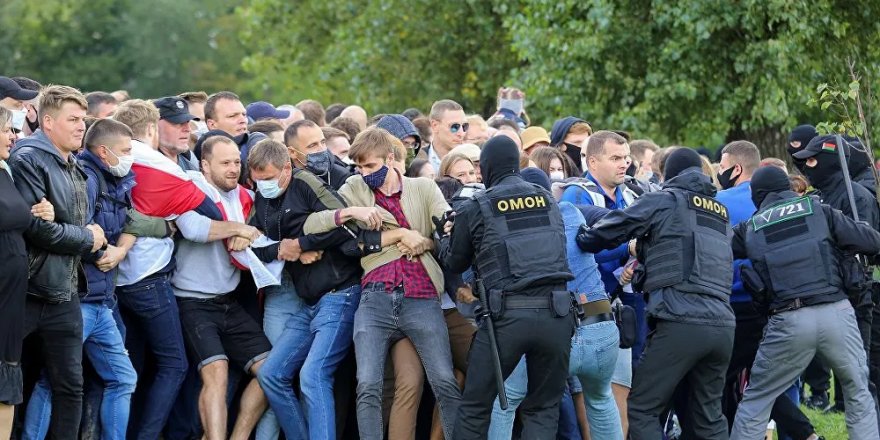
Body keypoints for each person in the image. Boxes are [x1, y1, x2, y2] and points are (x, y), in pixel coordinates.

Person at [302, 127, 462, 440]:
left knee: (444, 380)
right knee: (368, 384)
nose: (364, 173)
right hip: (375, 296)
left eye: (371, 166)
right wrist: (358, 214)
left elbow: (446, 233)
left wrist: (425, 242)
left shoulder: (424, 188)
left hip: (422, 294)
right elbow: (319, 226)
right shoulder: (353, 187)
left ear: (391, 158)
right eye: (359, 167)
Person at [577, 148, 736, 440]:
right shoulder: (720, 213)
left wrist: (584, 238)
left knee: (642, 408)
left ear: (669, 175)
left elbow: (617, 227)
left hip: (679, 320)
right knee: (708, 418)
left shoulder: (665, 200)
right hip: (723, 326)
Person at [729, 166, 880, 440]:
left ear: (757, 195)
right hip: (837, 313)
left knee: (756, 402)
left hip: (787, 321)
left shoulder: (750, 227)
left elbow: (715, 249)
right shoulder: (818, 209)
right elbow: (870, 242)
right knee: (858, 392)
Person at [440, 135, 576, 439]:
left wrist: (445, 234)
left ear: (486, 168)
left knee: (475, 406)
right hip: (557, 313)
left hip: (506, 318)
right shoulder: (547, 200)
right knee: (543, 408)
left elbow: (454, 262)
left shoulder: (478, 205)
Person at [24, 119, 139, 439]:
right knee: (55, 380)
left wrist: (120, 249)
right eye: (126, 151)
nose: (132, 157)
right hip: (80, 297)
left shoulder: (119, 178)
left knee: (123, 378)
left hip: (103, 300)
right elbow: (75, 232)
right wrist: (102, 249)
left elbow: (136, 219)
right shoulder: (85, 178)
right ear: (104, 151)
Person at [488, 168, 622, 440]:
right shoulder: (571, 211)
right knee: (601, 398)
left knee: (505, 401)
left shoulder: (514, 224)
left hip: (553, 332)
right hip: (601, 326)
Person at [247, 138, 363, 440]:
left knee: (313, 375)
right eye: (258, 180)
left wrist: (303, 243)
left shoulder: (306, 183)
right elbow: (253, 246)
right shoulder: (262, 198)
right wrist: (285, 250)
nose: (264, 185)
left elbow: (348, 224)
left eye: (269, 178)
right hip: (308, 301)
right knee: (272, 375)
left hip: (340, 292)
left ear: (288, 167)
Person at [10, 85, 108, 439]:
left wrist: (90, 236)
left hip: (65, 289)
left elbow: (76, 224)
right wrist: (88, 238)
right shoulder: (28, 159)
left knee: (70, 387)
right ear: (47, 121)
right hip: (28, 290)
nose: (82, 126)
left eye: (83, 119)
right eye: (73, 119)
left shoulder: (73, 163)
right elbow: (38, 229)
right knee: (9, 381)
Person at [714, 141, 819, 439]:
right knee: (774, 380)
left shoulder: (717, 201)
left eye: (722, 168)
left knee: (725, 378)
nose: (719, 173)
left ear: (736, 168)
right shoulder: (782, 204)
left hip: (735, 303)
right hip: (779, 302)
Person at [171, 135, 271, 440]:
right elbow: (195, 229)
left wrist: (252, 231)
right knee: (217, 373)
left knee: (272, 373)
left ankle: (238, 437)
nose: (232, 169)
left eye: (236, 162)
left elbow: (264, 232)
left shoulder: (246, 197)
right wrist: (242, 228)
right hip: (191, 301)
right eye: (224, 163)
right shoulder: (191, 188)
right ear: (204, 165)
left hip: (229, 301)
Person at [111, 98, 190, 440]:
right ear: (150, 129)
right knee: (175, 365)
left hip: (121, 282)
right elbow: (192, 221)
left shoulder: (119, 161)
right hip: (148, 280)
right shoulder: (153, 162)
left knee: (136, 368)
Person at [792, 134, 880, 414]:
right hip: (820, 292)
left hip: (854, 293)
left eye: (813, 160)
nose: (807, 167)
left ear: (831, 160)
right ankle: (839, 402)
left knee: (858, 369)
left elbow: (867, 242)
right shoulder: (815, 197)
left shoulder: (857, 197)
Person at [0, 106, 55, 439]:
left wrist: (40, 212)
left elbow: (17, 219)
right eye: (6, 130)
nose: (13, 136)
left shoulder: (5, 170)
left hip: (11, 292)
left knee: (6, 379)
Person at [154, 96, 198, 171]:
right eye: (178, 122)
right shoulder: (145, 164)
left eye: (187, 122)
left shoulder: (191, 168)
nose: (188, 129)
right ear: (154, 125)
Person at [426, 99, 468, 172]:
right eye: (454, 127)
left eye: (464, 126)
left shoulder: (475, 159)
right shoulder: (416, 160)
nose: (461, 133)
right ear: (435, 125)